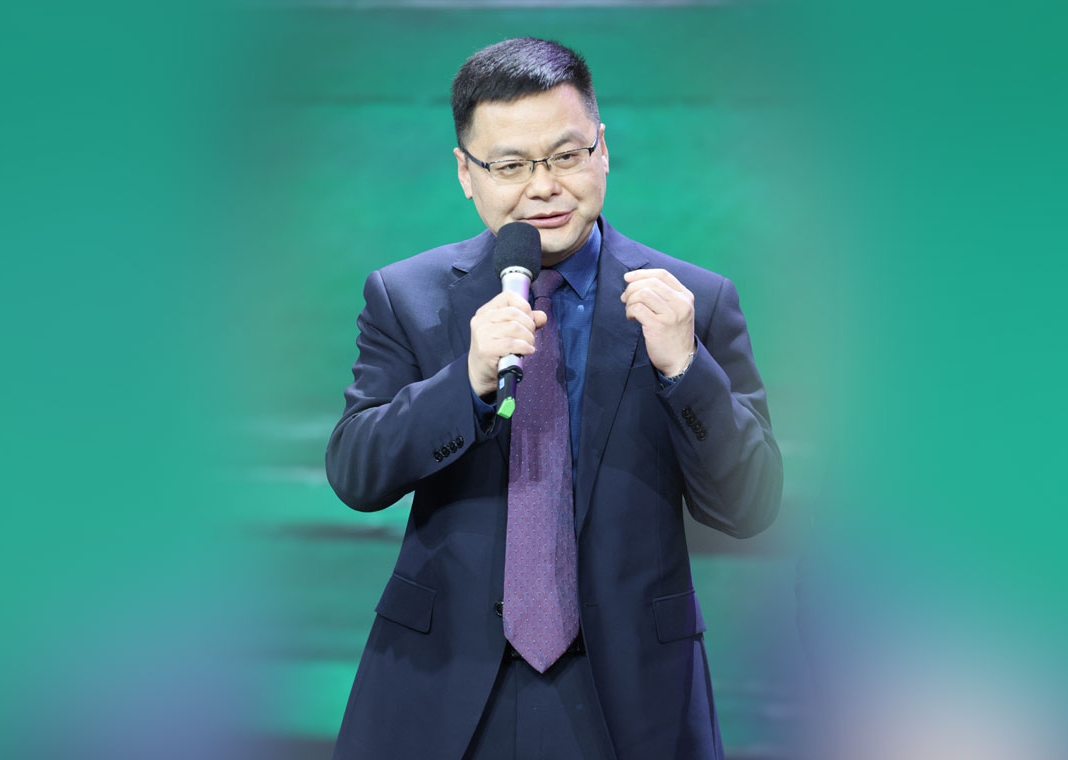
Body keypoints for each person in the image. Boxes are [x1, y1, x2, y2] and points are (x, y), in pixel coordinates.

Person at [324, 37, 783, 760]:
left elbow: (750, 503)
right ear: (466, 173)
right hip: (440, 686)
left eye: (566, 156)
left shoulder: (692, 301)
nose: (544, 187)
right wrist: (466, 379)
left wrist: (684, 367)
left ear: (602, 150)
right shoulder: (406, 296)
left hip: (629, 695)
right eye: (511, 166)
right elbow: (357, 472)